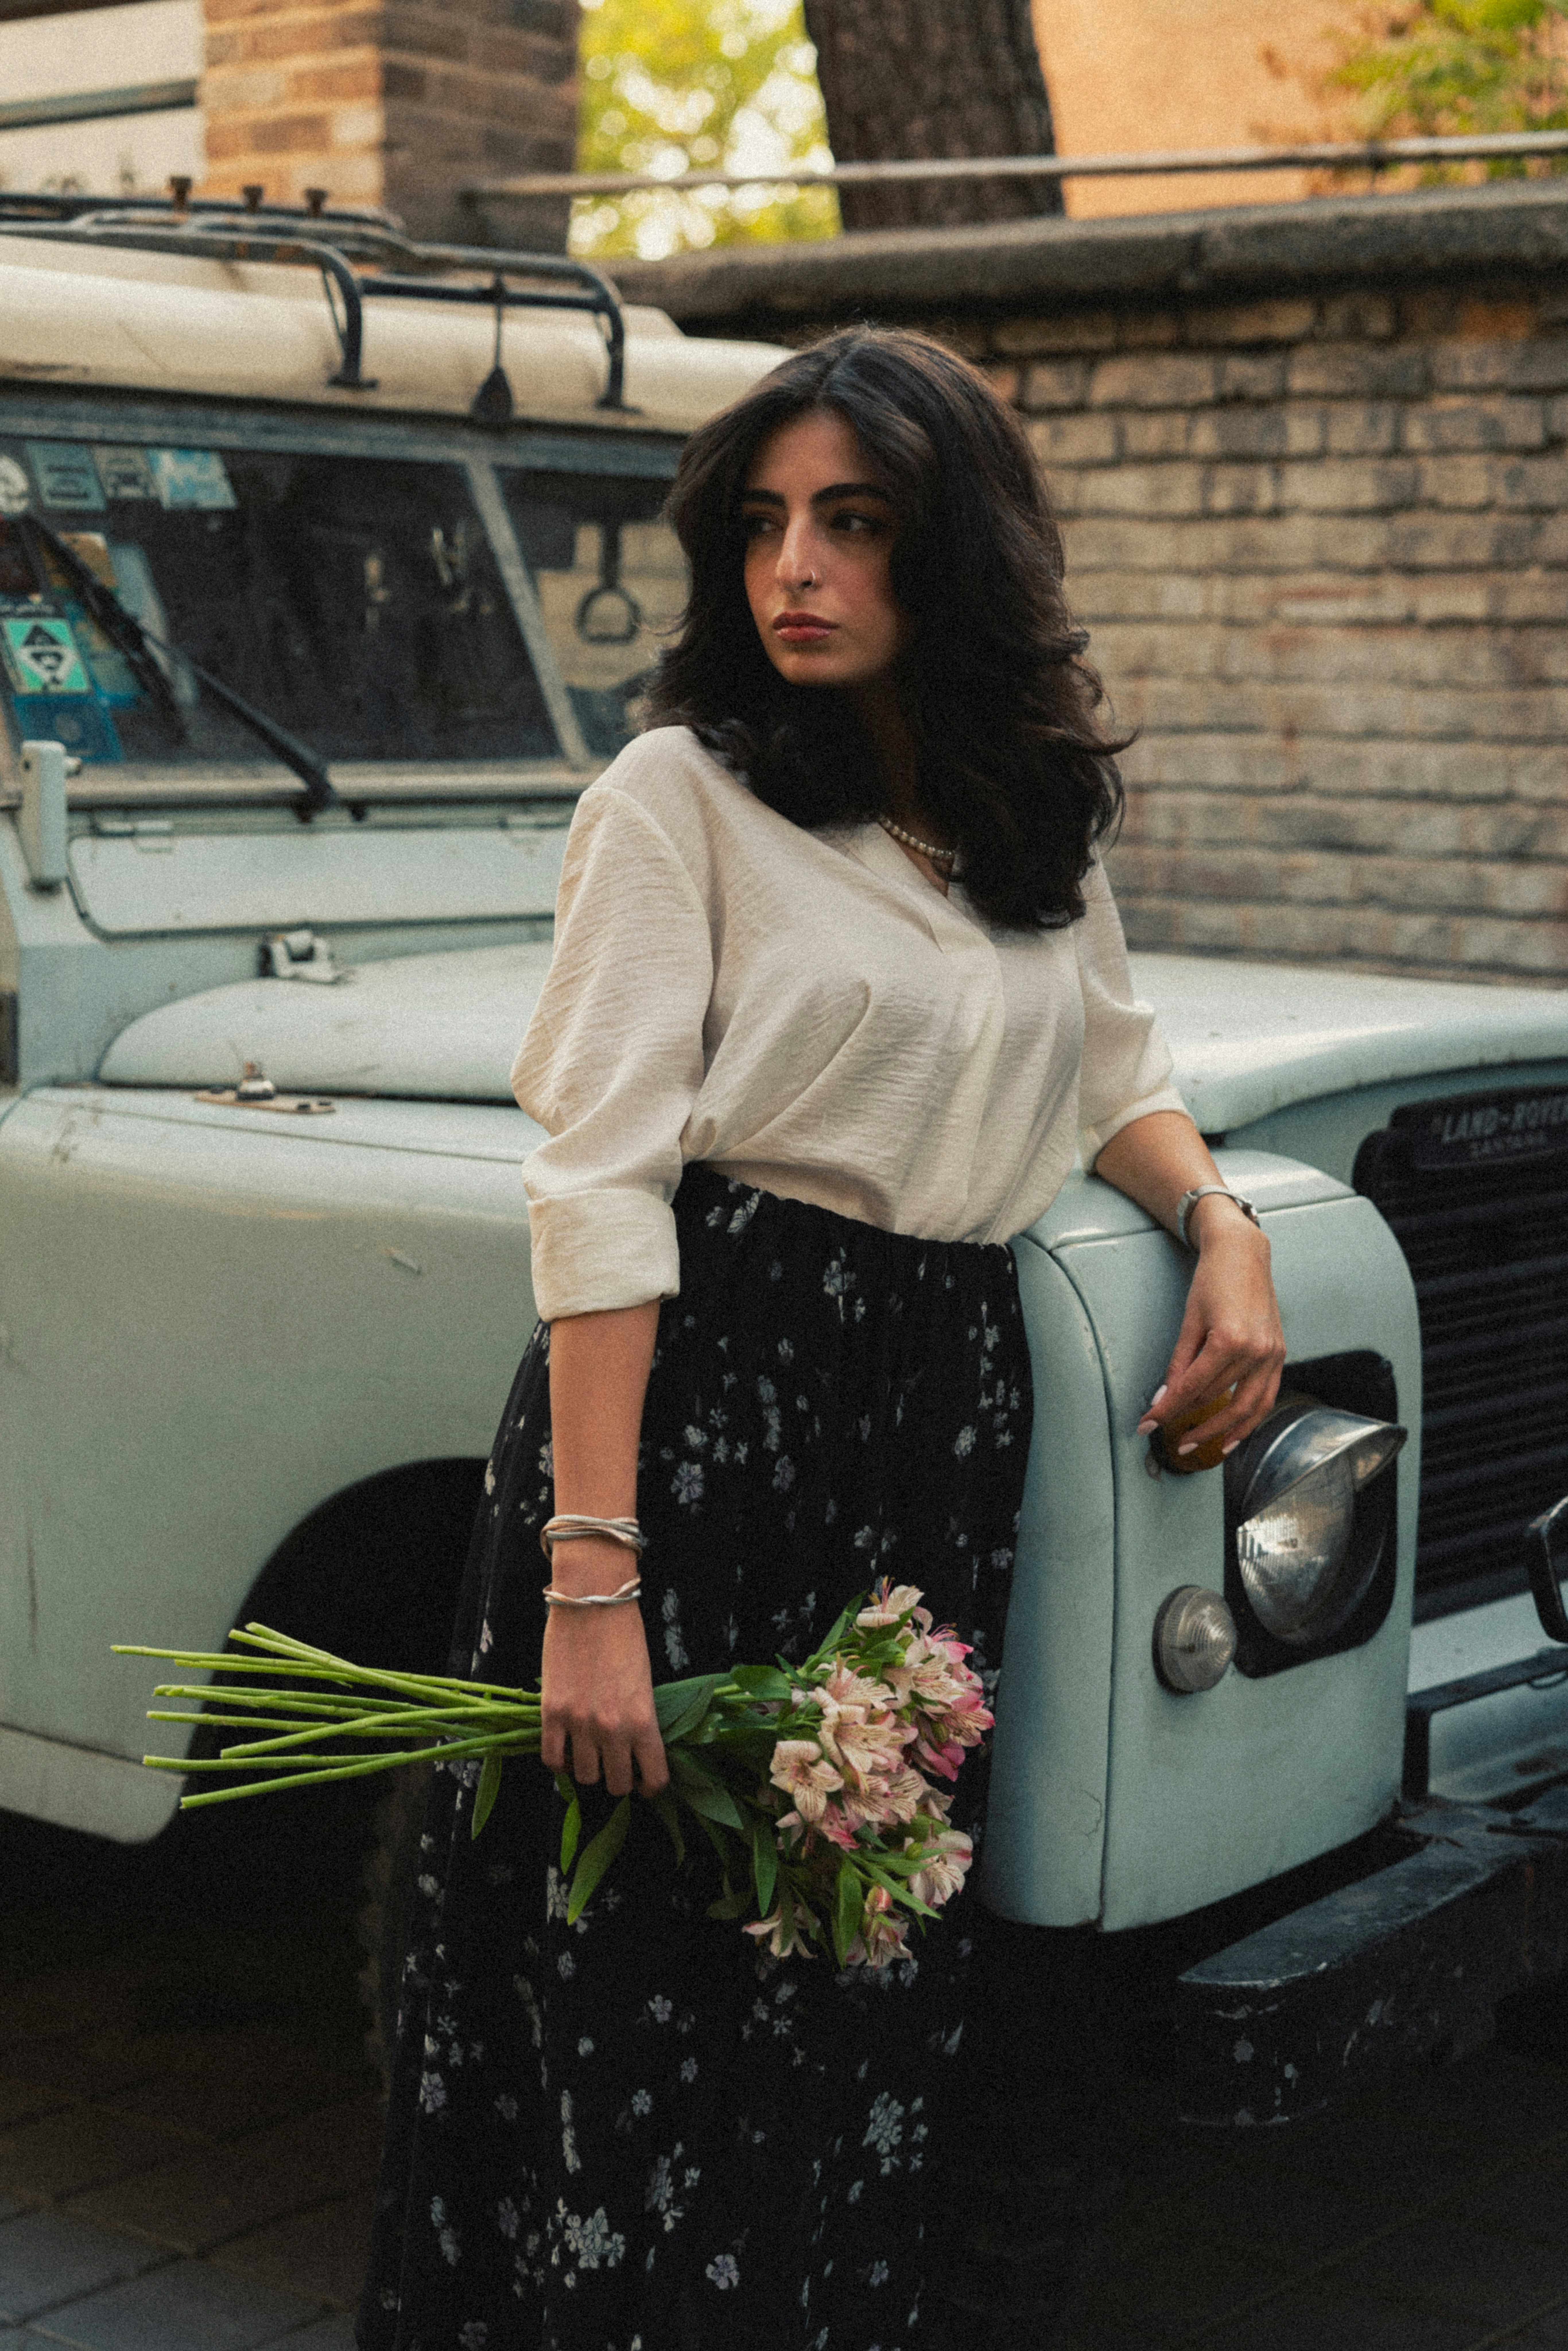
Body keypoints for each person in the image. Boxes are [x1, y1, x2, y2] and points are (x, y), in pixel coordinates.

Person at [358, 326, 1285, 2351]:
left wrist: (1218, 1222)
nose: (796, 567)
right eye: (766, 524)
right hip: (705, 1407)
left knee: (855, 1956)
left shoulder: (1023, 819)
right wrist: (591, 1578)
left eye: (854, 524)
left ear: (952, 555)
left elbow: (1106, 1072)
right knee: (638, 1978)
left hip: (931, 1424)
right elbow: (602, 1185)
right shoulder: (676, 797)